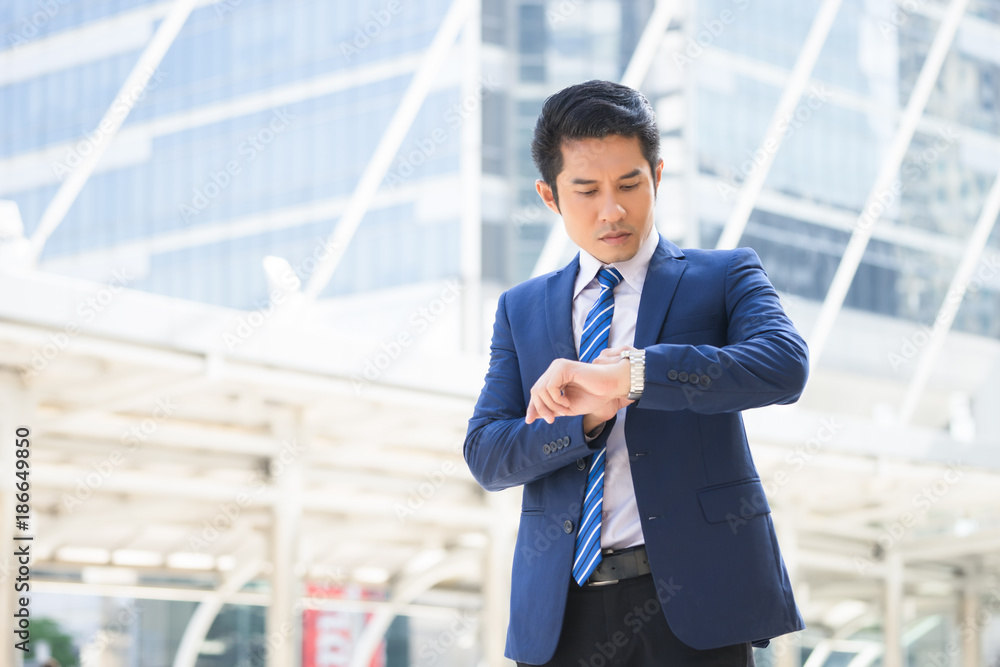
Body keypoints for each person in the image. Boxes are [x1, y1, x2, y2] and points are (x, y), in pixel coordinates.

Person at [464, 80, 809, 666]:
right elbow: (487, 453)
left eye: (630, 184)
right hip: (561, 616)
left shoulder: (723, 276)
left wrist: (634, 376)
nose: (612, 210)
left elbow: (784, 366)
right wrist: (586, 420)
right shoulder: (520, 309)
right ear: (550, 196)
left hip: (696, 605)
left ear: (658, 175)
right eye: (587, 190)